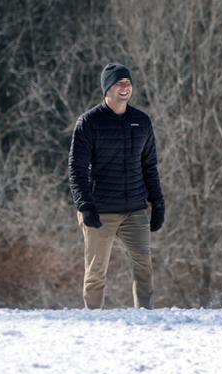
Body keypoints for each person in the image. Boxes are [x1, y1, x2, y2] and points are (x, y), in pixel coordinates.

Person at [68, 63, 165, 310]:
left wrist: (158, 202)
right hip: (100, 210)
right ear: (107, 89)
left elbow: (150, 166)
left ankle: (146, 317)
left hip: (135, 209)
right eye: (119, 83)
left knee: (144, 265)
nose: (125, 87)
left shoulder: (141, 121)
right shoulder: (89, 122)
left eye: (128, 82)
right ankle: (93, 319)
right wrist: (85, 205)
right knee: (96, 270)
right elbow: (76, 169)